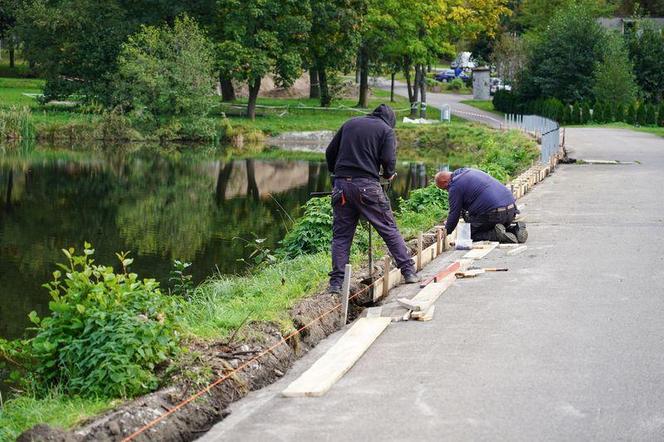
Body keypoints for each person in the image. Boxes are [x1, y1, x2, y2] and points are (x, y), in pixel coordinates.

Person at [325, 104, 418, 294]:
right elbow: (388, 159)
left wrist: (338, 173)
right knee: (388, 228)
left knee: (341, 236)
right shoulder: (386, 130)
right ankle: (408, 271)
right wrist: (389, 174)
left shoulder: (349, 124)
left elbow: (329, 152)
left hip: (341, 186)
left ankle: (336, 283)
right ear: (390, 120)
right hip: (367, 186)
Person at [435, 168, 528, 243]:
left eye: (444, 189)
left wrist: (446, 231)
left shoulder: (455, 186)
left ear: (445, 182)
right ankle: (515, 230)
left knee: (466, 235)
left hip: (494, 215)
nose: (447, 191)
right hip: (511, 211)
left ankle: (496, 234)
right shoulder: (469, 171)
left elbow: (454, 213)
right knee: (484, 222)